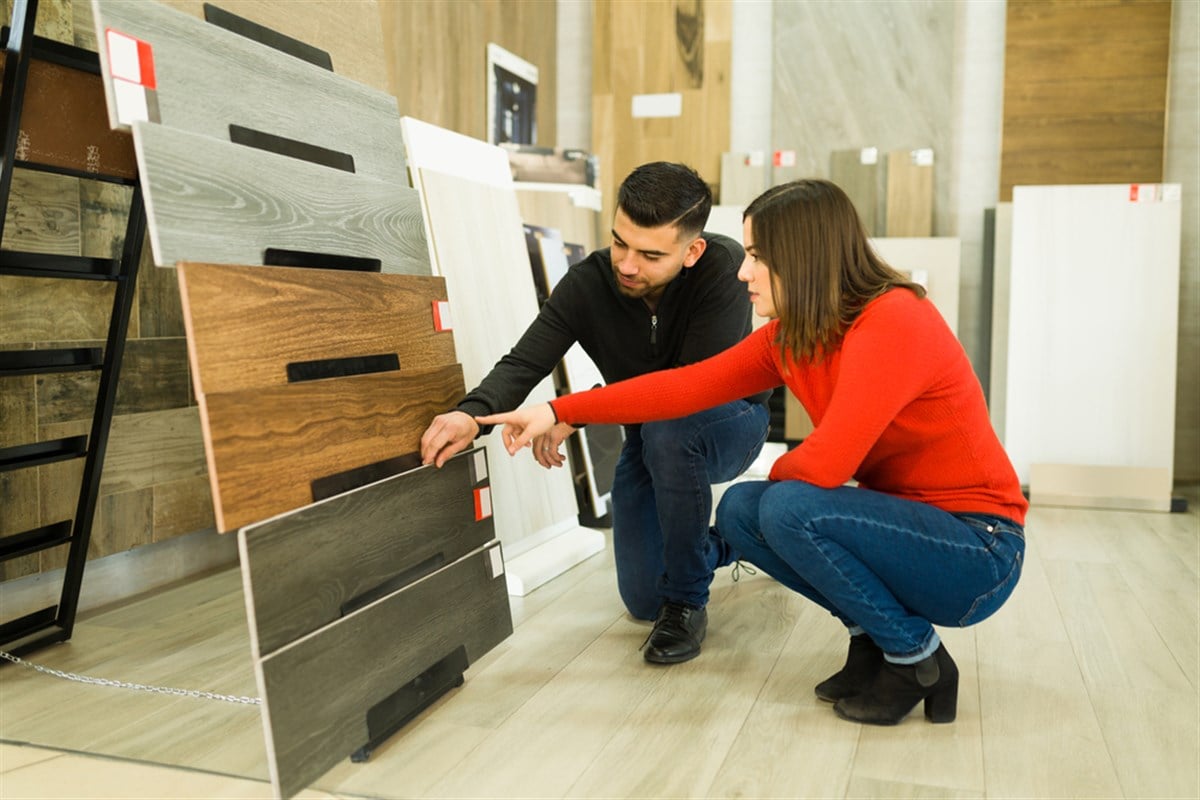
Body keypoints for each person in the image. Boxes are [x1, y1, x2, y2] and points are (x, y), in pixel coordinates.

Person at [477, 179, 1028, 726]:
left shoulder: (893, 319)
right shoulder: (794, 334)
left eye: (758, 257)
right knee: (742, 510)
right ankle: (874, 641)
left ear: (802, 257)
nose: (743, 271)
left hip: (978, 550)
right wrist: (559, 410)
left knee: (782, 506)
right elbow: (684, 386)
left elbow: (828, 464)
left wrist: (779, 489)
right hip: (914, 530)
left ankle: (916, 660)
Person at [420, 162, 771, 665]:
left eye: (650, 254)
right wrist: (469, 416)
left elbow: (686, 391)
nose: (627, 264)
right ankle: (740, 540)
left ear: (692, 251)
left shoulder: (723, 268)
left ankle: (687, 601)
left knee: (672, 433)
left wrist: (578, 409)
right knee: (643, 600)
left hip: (728, 420)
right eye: (619, 242)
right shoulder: (588, 284)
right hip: (651, 436)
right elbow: (525, 361)